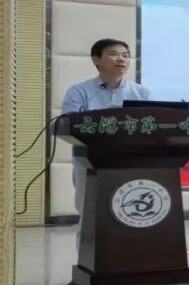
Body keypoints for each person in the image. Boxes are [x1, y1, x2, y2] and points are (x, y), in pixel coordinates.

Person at [61, 38, 151, 218]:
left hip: (130, 159)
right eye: (113, 54)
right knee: (90, 212)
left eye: (125, 55)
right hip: (90, 159)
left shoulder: (141, 92)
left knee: (127, 210)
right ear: (96, 59)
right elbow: (68, 123)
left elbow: (150, 126)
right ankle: (87, 237)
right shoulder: (79, 91)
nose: (121, 59)